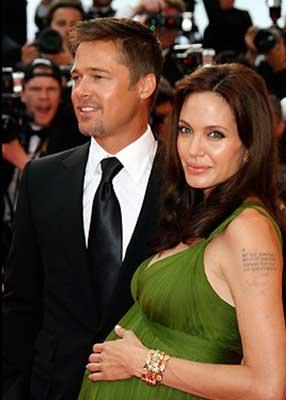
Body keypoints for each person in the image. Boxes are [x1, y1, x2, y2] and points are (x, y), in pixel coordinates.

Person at [78, 63, 286, 399]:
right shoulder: (202, 211)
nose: (193, 150)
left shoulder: (249, 231)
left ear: (250, 145)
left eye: (215, 134)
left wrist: (144, 362)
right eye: (186, 130)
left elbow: (267, 387)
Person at [2, 17, 164, 400]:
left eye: (98, 77)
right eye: (77, 78)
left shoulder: (187, 183)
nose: (81, 92)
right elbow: (20, 304)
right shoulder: (43, 178)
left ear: (145, 85)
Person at [21, 0, 85, 67]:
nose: (68, 30)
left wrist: (71, 63)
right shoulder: (37, 52)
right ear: (49, 27)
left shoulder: (92, 56)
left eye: (74, 25)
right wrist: (27, 66)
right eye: (61, 24)